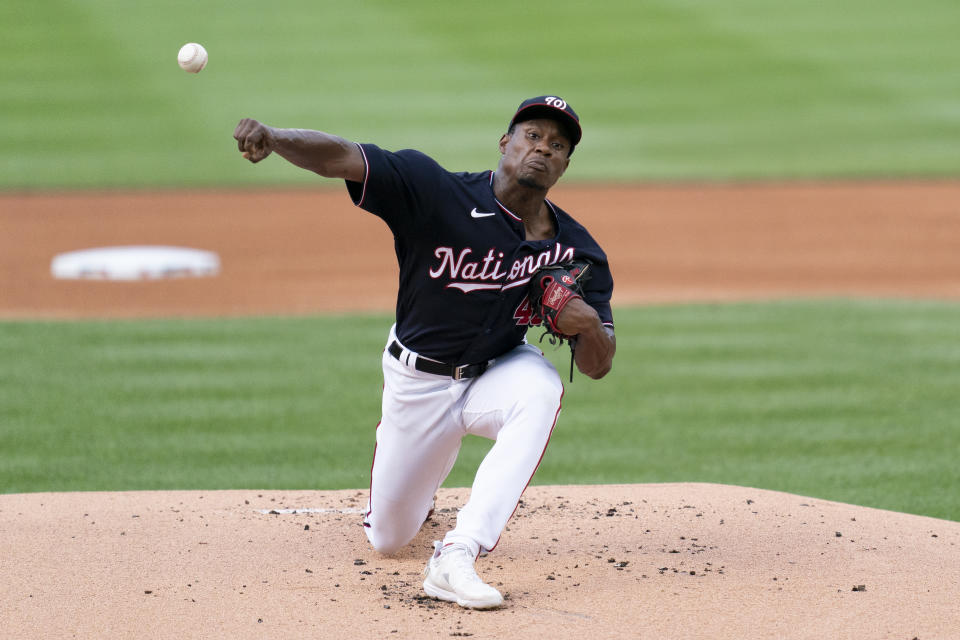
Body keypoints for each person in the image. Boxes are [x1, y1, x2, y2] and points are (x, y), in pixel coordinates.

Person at [234, 95, 616, 609]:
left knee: (542, 390)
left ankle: (457, 554)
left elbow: (597, 364)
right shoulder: (435, 191)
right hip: (419, 382)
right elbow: (344, 157)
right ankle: (429, 469)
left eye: (557, 145)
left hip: (499, 370)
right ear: (505, 143)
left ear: (566, 165)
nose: (542, 149)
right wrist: (276, 139)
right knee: (389, 538)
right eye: (532, 136)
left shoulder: (577, 249)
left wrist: (587, 324)